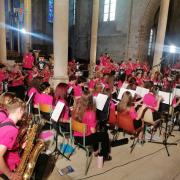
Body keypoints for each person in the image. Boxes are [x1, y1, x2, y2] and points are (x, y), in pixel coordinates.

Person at [73, 91, 111, 161]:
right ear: (91, 100)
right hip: (85, 139)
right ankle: (104, 155)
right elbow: (93, 131)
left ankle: (95, 150)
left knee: (96, 134)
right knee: (104, 135)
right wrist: (96, 123)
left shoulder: (76, 108)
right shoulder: (91, 113)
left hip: (76, 137)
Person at [0, 97, 25, 180]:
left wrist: (20, 146)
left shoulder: (6, 121)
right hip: (7, 166)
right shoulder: (12, 130)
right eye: (23, 111)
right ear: (19, 111)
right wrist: (10, 175)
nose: (23, 114)